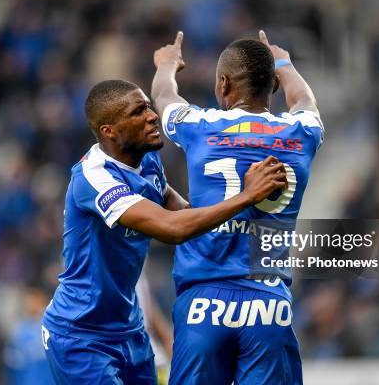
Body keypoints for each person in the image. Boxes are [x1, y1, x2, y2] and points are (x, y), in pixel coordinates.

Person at [42, 79, 288, 384]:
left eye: (148, 105)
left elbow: (185, 214)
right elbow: (173, 229)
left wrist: (247, 211)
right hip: (81, 335)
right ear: (109, 131)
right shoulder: (94, 179)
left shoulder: (147, 160)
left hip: (129, 328)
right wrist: (245, 196)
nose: (152, 115)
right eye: (137, 112)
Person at [151, 30, 324, 384]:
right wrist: (284, 63)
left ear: (224, 84)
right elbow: (306, 101)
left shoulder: (200, 125)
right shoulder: (301, 132)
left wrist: (167, 64)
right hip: (268, 305)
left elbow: (163, 95)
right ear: (273, 86)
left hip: (203, 305)